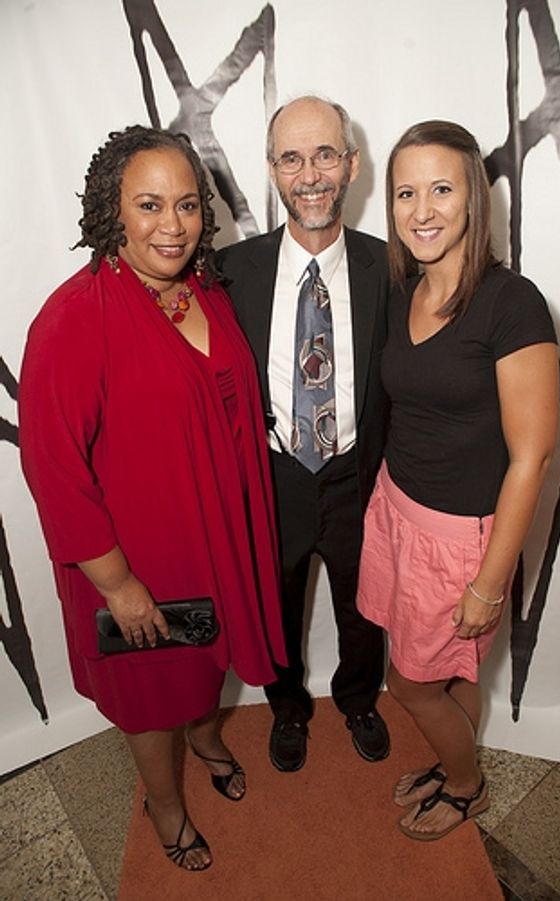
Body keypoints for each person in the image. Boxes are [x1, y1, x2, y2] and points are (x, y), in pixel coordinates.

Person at [19, 125, 286, 871]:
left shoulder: (203, 289)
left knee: (202, 665)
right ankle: (165, 806)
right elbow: (53, 471)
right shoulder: (75, 318)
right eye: (149, 204)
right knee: (149, 696)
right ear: (112, 210)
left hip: (212, 537)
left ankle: (204, 738)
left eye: (188, 204)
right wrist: (118, 584)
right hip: (135, 559)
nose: (173, 224)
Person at [356, 120, 559, 840]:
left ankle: (467, 785)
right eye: (405, 192)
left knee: (408, 683)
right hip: (398, 510)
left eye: (440, 189)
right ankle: (455, 759)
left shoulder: (512, 303)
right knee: (452, 671)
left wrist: (489, 584)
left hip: (461, 541)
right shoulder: (404, 288)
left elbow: (532, 457)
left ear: (473, 195)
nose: (421, 210)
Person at [217, 96, 390, 772]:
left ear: (352, 164)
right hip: (274, 476)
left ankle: (359, 700)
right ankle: (287, 708)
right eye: (291, 158)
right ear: (272, 170)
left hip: (357, 475)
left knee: (363, 607)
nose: (309, 175)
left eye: (324, 155)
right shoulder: (230, 272)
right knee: (276, 606)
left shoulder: (390, 269)